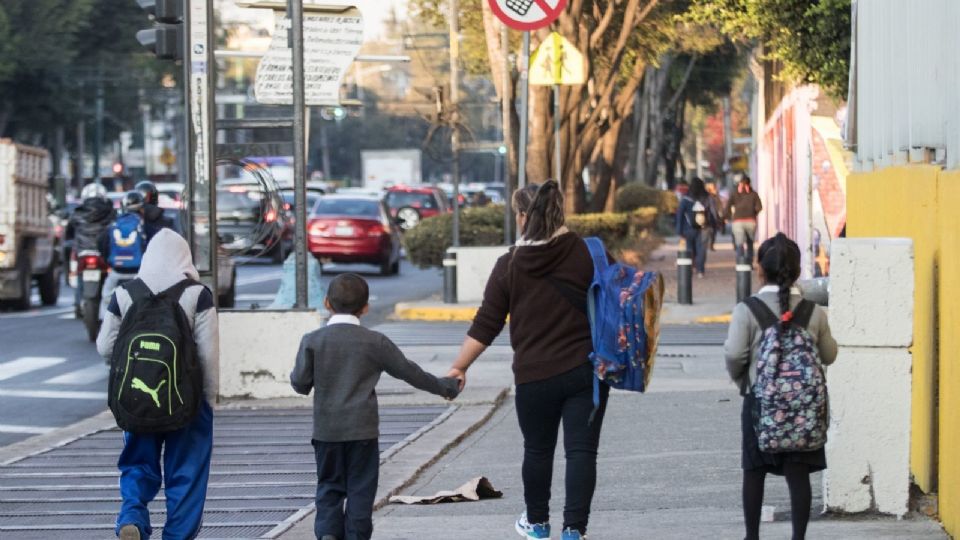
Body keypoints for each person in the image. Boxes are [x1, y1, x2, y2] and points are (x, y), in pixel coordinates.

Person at [445, 180, 610, 540]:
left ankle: (536, 524)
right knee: (581, 452)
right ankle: (574, 530)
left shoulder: (510, 264)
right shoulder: (588, 252)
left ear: (522, 216)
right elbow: (616, 299)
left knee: (537, 450)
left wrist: (460, 366)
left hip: (534, 378)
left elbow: (486, 324)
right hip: (586, 370)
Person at [290, 273, 459, 540]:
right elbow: (409, 372)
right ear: (366, 307)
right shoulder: (375, 342)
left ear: (327, 303)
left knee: (329, 486)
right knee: (360, 489)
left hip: (327, 432)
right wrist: (445, 386)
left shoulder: (312, 340)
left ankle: (328, 534)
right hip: (363, 432)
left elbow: (299, 384)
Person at [96, 229, 220, 540]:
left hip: (137, 398)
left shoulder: (125, 294)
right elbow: (208, 353)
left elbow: (104, 347)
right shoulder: (197, 294)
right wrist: (209, 399)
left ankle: (133, 517)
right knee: (187, 471)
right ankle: (177, 535)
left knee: (137, 462)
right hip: (186, 401)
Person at [723, 233, 838, 540]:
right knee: (798, 473)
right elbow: (829, 355)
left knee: (754, 470)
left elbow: (735, 354)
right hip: (803, 408)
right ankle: (798, 537)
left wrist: (744, 382)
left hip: (759, 403)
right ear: (798, 271)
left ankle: (752, 536)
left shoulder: (747, 310)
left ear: (760, 268)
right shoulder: (813, 313)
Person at [98, 191, 148, 320]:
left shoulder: (114, 224)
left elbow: (102, 243)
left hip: (117, 271)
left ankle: (105, 327)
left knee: (106, 299)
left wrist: (110, 262)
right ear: (142, 209)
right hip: (139, 273)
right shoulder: (144, 226)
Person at [67, 182, 116, 305]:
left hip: (82, 252)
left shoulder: (77, 213)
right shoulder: (111, 212)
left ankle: (78, 302)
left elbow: (68, 233)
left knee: (76, 272)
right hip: (103, 252)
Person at [676, 177, 715, 278]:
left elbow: (680, 214)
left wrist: (679, 230)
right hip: (703, 228)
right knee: (701, 249)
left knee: (690, 249)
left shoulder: (686, 198)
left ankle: (690, 268)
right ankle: (700, 270)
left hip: (688, 228)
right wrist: (714, 225)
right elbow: (712, 212)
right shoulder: (706, 197)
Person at [726, 175, 763, 261]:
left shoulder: (735, 194)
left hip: (738, 221)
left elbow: (728, 206)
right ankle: (749, 263)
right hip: (751, 221)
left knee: (739, 243)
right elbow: (759, 207)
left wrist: (726, 217)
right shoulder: (754, 194)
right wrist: (753, 213)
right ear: (749, 184)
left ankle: (741, 262)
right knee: (750, 243)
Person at [705, 181, 725, 251]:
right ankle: (709, 244)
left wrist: (721, 215)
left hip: (715, 216)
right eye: (714, 188)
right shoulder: (707, 196)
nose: (715, 189)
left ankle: (711, 245)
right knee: (710, 231)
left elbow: (720, 207)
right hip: (709, 216)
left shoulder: (716, 197)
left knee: (714, 231)